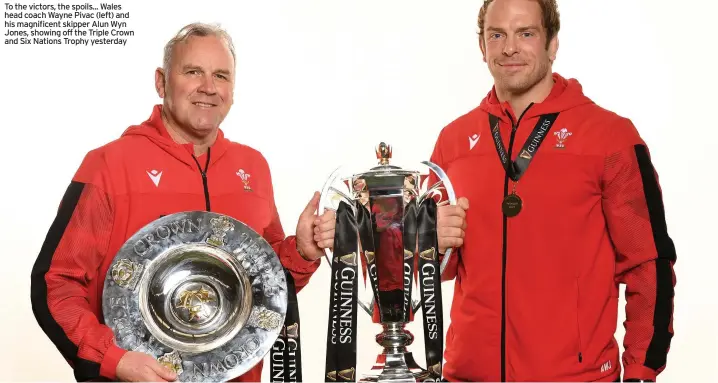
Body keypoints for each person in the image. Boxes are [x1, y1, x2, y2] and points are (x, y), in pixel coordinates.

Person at [30, 22, 335, 382]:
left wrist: (301, 251)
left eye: (220, 76)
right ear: (161, 82)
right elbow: (56, 282)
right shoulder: (110, 165)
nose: (208, 87)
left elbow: (262, 286)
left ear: (233, 90)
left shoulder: (252, 167)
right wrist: (114, 359)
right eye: (193, 72)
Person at [431, 0, 676, 381]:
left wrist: (641, 372)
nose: (509, 47)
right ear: (482, 46)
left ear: (553, 43)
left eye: (526, 33)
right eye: (497, 35)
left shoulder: (610, 138)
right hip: (466, 375)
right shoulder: (454, 141)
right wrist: (430, 242)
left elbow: (649, 264)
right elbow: (428, 270)